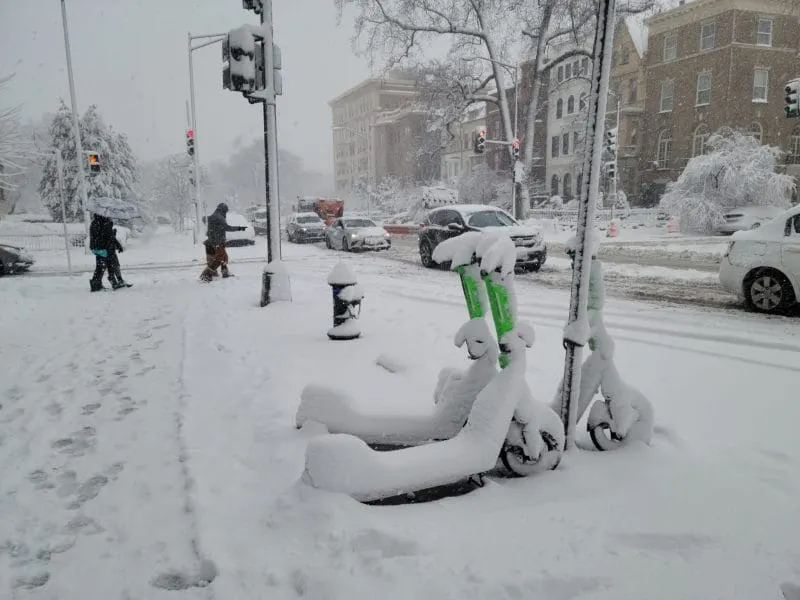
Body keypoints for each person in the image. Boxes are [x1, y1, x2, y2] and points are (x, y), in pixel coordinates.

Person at [199, 203, 247, 282]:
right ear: (223, 210)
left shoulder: (213, 216)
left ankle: (225, 272)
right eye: (226, 212)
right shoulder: (219, 217)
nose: (226, 214)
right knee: (219, 258)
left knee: (224, 257)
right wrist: (239, 228)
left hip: (215, 241)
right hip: (218, 242)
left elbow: (205, 219)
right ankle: (206, 274)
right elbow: (227, 228)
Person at [89, 214, 131, 291]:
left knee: (106, 265)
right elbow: (108, 236)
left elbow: (107, 236)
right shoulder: (103, 222)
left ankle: (113, 282)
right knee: (104, 266)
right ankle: (97, 285)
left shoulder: (97, 222)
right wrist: (115, 244)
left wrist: (117, 245)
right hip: (105, 248)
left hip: (101, 248)